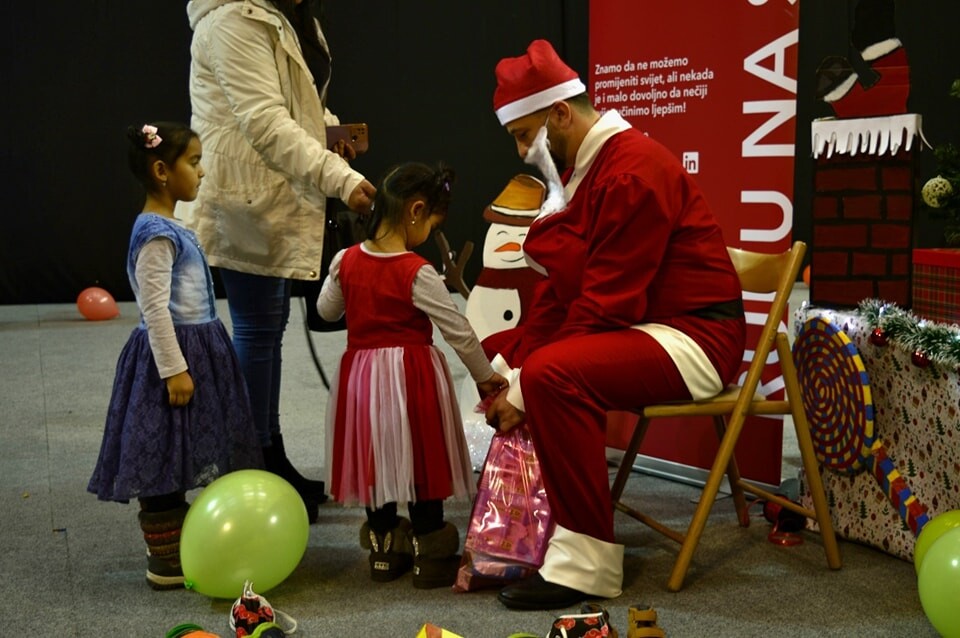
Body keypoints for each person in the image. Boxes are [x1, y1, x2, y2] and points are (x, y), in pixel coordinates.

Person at [483, 40, 748, 610]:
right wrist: (511, 370)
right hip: (652, 327)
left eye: (525, 134)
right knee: (537, 367)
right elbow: (562, 293)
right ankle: (569, 536)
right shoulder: (592, 168)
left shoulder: (631, 171)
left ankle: (588, 567)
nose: (526, 151)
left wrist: (528, 384)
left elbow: (606, 304)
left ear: (559, 113)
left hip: (695, 338)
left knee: (554, 376)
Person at [183, 0, 377, 522]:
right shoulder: (230, 22)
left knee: (268, 328)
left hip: (277, 191)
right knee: (255, 328)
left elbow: (300, 107)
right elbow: (266, 123)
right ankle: (251, 462)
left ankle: (269, 452)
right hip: (243, 193)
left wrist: (331, 132)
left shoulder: (296, 15)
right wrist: (341, 179)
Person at [88, 122, 263, 590]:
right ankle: (166, 558)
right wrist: (175, 370)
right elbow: (154, 309)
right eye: (194, 161)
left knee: (187, 445)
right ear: (162, 170)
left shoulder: (168, 226)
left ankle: (190, 542)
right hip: (175, 357)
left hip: (198, 350)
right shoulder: (154, 235)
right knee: (163, 453)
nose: (202, 172)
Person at [317, 162, 509, 588]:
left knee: (376, 463)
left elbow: (325, 311)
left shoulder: (344, 260)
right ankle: (430, 557)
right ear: (416, 211)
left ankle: (384, 554)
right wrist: (484, 377)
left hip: (362, 381)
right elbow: (457, 330)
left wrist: (340, 275)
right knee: (422, 461)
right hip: (412, 377)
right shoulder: (416, 271)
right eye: (433, 224)